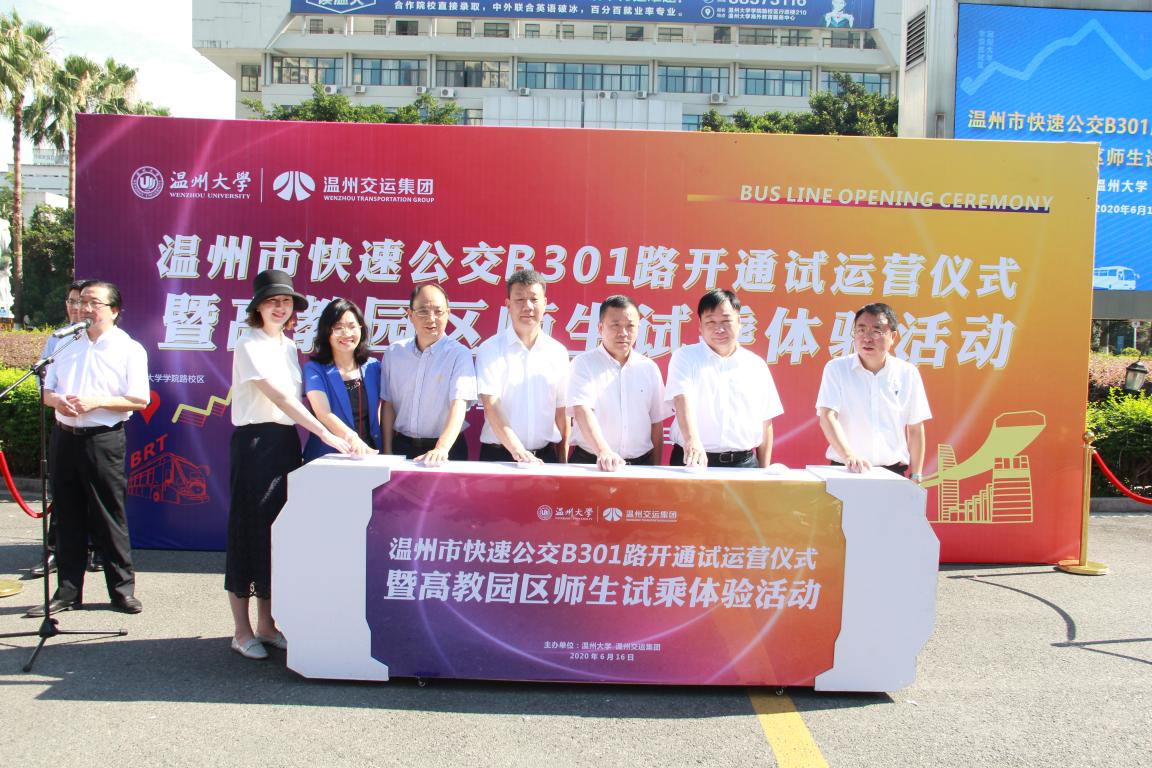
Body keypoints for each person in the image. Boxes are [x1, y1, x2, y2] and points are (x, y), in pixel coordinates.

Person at [226, 269, 352, 660]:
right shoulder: (248, 343)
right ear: (258, 308)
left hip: (284, 444)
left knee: (274, 533)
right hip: (254, 444)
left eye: (285, 302)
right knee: (247, 531)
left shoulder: (287, 345)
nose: (280, 308)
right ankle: (241, 631)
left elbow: (298, 400)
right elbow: (281, 399)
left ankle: (267, 625)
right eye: (272, 302)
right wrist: (326, 433)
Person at [27, 280, 149, 617]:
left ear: (114, 310)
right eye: (81, 302)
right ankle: (67, 592)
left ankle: (122, 591)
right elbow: (46, 389)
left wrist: (96, 402)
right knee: (67, 515)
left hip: (103, 440)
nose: (84, 308)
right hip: (65, 436)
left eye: (93, 303)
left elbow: (139, 399)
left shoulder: (129, 348)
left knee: (109, 516)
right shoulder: (62, 343)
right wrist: (56, 401)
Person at [666, 289, 783, 469]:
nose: (719, 329)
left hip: (743, 464)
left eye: (726, 321)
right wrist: (692, 440)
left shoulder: (756, 365)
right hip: (692, 460)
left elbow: (765, 421)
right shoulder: (685, 357)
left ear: (739, 322)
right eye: (710, 322)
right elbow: (682, 398)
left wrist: (764, 472)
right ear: (700, 326)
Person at [816, 303, 931, 480]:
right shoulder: (837, 368)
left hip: (892, 473)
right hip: (845, 470)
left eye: (876, 331)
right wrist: (849, 456)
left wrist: (916, 473)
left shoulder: (907, 373)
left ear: (893, 336)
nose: (867, 338)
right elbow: (827, 416)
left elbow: (915, 428)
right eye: (861, 330)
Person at [475, 269, 570, 463]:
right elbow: (491, 405)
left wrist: (563, 461)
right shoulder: (490, 349)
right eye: (519, 299)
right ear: (508, 305)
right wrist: (518, 451)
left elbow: (562, 412)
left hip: (545, 457)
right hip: (499, 457)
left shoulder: (558, 352)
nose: (527, 306)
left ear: (545, 303)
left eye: (534, 299)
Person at [567, 295, 669, 470]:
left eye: (630, 326)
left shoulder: (649, 368)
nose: (623, 333)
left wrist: (656, 469)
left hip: (640, 465)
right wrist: (604, 452)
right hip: (592, 463)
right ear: (600, 327)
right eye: (615, 325)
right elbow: (582, 411)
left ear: (639, 328)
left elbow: (656, 423)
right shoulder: (583, 364)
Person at [27, 279, 87, 579]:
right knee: (62, 495)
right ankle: (54, 552)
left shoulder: (111, 341)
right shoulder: (58, 338)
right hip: (64, 426)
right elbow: (43, 378)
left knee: (98, 497)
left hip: (98, 428)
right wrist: (55, 398)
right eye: (72, 302)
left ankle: (96, 552)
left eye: (82, 302)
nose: (77, 308)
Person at [380, 284, 476, 465]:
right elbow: (388, 403)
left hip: (447, 450)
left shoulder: (459, 354)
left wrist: (441, 448)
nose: (431, 319)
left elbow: (459, 404)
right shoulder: (395, 353)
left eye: (438, 312)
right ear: (410, 315)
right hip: (402, 447)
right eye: (423, 311)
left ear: (448, 314)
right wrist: (387, 449)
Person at [302, 298, 381, 462]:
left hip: (369, 455)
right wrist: (352, 439)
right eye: (338, 328)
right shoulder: (314, 369)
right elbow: (323, 413)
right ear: (327, 332)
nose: (347, 333)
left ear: (361, 329)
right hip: (327, 457)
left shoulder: (373, 367)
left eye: (352, 326)